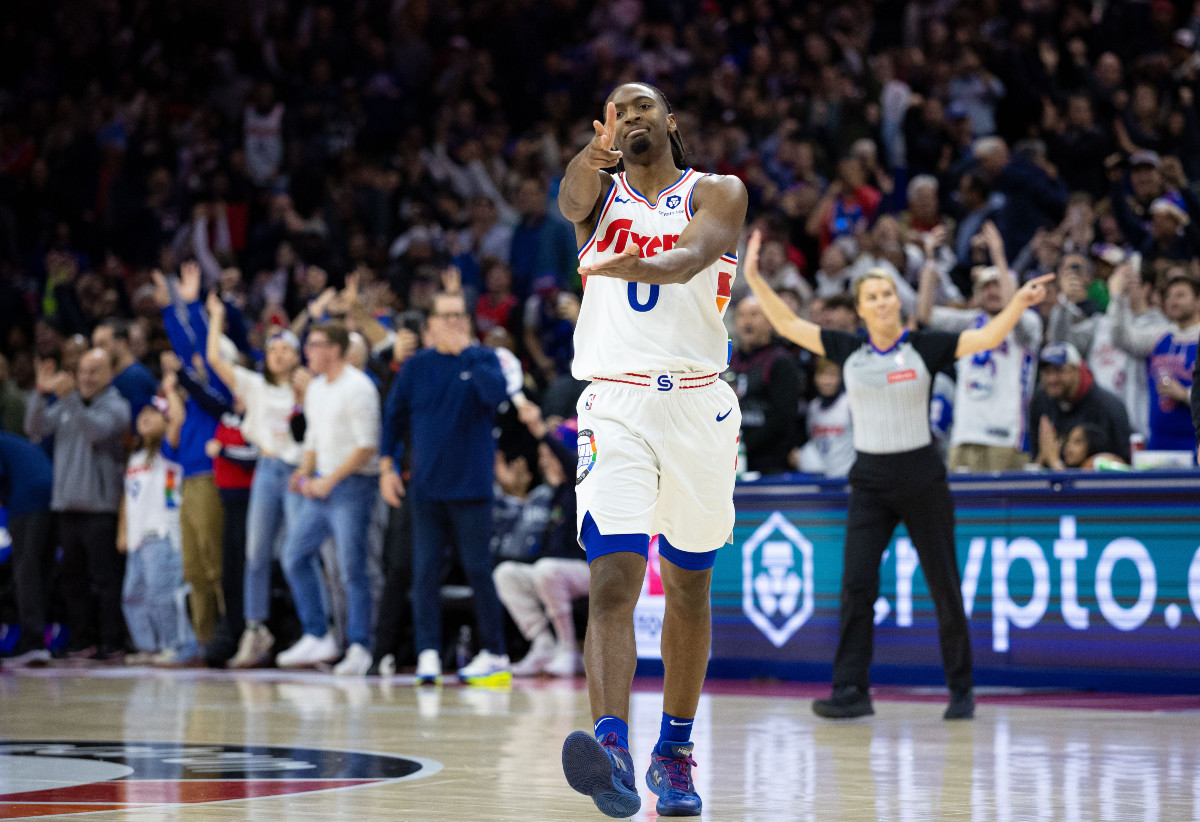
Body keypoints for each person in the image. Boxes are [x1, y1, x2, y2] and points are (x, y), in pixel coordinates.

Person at [742, 228, 1054, 722]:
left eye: (887, 292)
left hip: (922, 475)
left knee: (944, 584)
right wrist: (754, 277)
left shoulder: (925, 347)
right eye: (872, 296)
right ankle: (850, 690)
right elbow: (785, 322)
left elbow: (989, 336)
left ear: (897, 301)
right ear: (861, 309)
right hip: (868, 479)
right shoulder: (847, 349)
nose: (882, 301)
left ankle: (961, 690)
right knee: (856, 586)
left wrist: (1017, 302)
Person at [557, 83, 746, 819]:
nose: (633, 117)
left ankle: (674, 749)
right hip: (614, 403)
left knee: (691, 587)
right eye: (618, 110)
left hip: (700, 402)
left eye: (644, 108)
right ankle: (611, 748)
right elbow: (571, 197)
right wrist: (588, 155)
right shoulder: (596, 198)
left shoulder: (717, 191)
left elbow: (691, 258)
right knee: (612, 580)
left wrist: (626, 265)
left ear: (670, 122)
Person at [379, 290, 511, 685]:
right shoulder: (416, 366)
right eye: (446, 316)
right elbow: (393, 417)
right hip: (426, 487)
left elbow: (496, 396)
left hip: (472, 488)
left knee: (478, 571)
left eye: (460, 315)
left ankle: (496, 652)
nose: (454, 322)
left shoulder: (484, 359)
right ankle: (429, 654)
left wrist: (466, 353)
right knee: (424, 574)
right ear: (430, 323)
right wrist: (387, 465)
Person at [204, 294, 308, 669]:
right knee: (255, 553)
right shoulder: (254, 386)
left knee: (299, 553)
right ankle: (255, 628)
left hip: (297, 472)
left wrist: (303, 398)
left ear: (298, 356)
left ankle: (312, 629)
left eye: (286, 348)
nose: (279, 354)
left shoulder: (309, 388)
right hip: (266, 469)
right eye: (273, 348)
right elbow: (215, 360)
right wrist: (216, 317)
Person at [278, 322, 380, 674]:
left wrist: (330, 480)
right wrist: (304, 472)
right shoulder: (318, 388)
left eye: (314, 345)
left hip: (352, 487)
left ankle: (360, 645)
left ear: (334, 349)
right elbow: (314, 441)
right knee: (293, 555)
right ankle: (318, 633)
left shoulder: (359, 388)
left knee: (352, 569)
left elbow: (367, 446)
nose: (308, 352)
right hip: (322, 485)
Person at [25, 349, 131, 659]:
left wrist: (68, 397)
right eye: (82, 371)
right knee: (72, 581)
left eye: (94, 371)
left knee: (105, 580)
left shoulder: (117, 406)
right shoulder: (66, 405)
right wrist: (40, 394)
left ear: (109, 375)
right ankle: (82, 640)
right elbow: (35, 428)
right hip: (67, 507)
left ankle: (113, 642)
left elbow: (94, 431)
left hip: (100, 509)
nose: (85, 377)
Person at [917, 222, 1041, 472]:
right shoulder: (970, 323)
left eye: (998, 284)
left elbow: (1011, 307)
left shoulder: (1026, 325)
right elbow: (925, 315)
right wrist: (930, 261)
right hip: (964, 435)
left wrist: (998, 254)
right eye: (986, 286)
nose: (993, 291)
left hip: (1006, 437)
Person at [493, 412, 590, 678]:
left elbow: (571, 464)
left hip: (590, 569)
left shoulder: (583, 484)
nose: (544, 460)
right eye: (543, 454)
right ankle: (542, 643)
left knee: (547, 569)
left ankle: (568, 649)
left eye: (551, 454)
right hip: (556, 570)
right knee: (506, 573)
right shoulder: (555, 493)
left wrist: (544, 433)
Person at [119, 395, 199, 666]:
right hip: (137, 539)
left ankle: (180, 644)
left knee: (164, 594)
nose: (145, 417)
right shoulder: (135, 458)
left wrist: (171, 393)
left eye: (155, 413)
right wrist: (124, 532)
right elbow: (128, 499)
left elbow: (178, 421)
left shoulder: (171, 452)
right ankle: (149, 646)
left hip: (163, 535)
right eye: (143, 412)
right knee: (133, 594)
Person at [728, 296, 803, 476]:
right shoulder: (726, 361)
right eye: (742, 315)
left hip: (770, 463)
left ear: (770, 321)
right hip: (730, 459)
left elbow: (783, 417)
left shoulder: (781, 361)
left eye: (754, 314)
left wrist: (744, 447)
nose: (747, 321)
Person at [1029, 343, 1133, 466]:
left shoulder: (1109, 408)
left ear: (1077, 369)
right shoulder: (1041, 403)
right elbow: (1037, 459)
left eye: (1058, 371)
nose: (1052, 379)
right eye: (1046, 372)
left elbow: (1123, 465)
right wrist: (1044, 457)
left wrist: (1054, 461)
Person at [0, 430, 54, 667]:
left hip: (27, 502)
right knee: (42, 571)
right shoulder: (13, 440)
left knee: (26, 572)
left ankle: (33, 643)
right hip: (54, 499)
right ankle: (44, 640)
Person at [795, 358, 855, 478]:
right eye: (822, 375)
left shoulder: (849, 403)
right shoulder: (813, 407)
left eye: (832, 375)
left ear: (840, 377)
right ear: (815, 378)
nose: (827, 381)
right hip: (820, 476)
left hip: (846, 475)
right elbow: (812, 441)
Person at [92, 319, 158, 425]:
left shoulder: (136, 376)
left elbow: (140, 424)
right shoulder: (110, 377)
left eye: (102, 344)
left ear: (122, 343)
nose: (97, 352)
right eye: (95, 346)